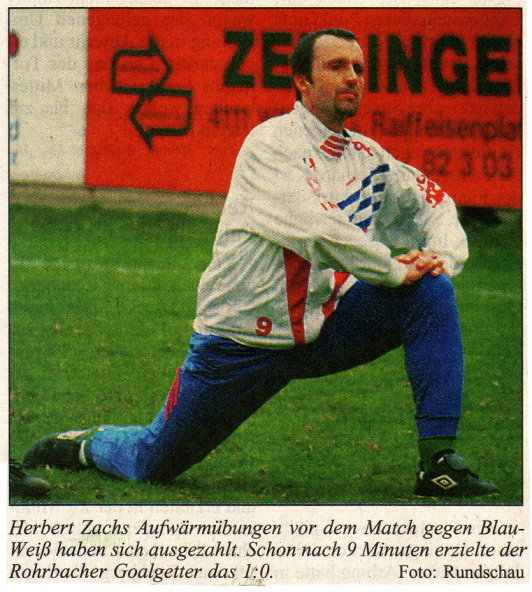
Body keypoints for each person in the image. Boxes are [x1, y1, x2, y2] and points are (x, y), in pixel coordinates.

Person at [24, 29, 499, 497]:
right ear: (302, 81)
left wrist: (439, 257)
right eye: (336, 66)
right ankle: (84, 444)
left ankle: (439, 462)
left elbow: (434, 203)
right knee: (153, 461)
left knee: (431, 289)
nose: (352, 77)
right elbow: (317, 228)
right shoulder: (271, 144)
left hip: (322, 329)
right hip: (240, 343)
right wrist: (394, 270)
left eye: (358, 67)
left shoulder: (369, 158)